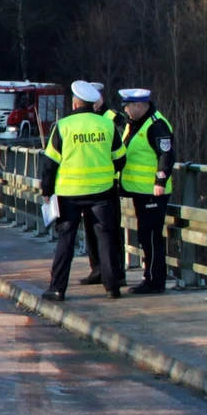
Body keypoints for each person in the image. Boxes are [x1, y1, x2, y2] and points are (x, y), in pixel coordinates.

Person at [41, 81, 126, 301]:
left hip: (69, 194)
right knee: (106, 239)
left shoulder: (63, 126)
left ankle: (58, 288)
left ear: (75, 102)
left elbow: (50, 163)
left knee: (65, 241)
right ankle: (112, 287)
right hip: (102, 192)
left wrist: (47, 190)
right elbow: (120, 159)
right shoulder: (106, 126)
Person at [117, 88, 176, 294]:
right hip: (139, 191)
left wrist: (160, 181)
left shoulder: (156, 125)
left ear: (140, 106)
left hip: (153, 192)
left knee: (151, 237)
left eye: (128, 106)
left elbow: (166, 155)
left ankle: (154, 281)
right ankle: (150, 278)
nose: (126, 109)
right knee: (145, 235)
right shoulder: (135, 124)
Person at [78, 82, 127, 286]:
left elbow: (121, 152)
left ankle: (116, 274)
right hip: (86, 184)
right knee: (90, 230)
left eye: (95, 97)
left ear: (101, 97)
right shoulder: (84, 119)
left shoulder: (114, 119)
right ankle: (97, 270)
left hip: (108, 184)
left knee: (110, 231)